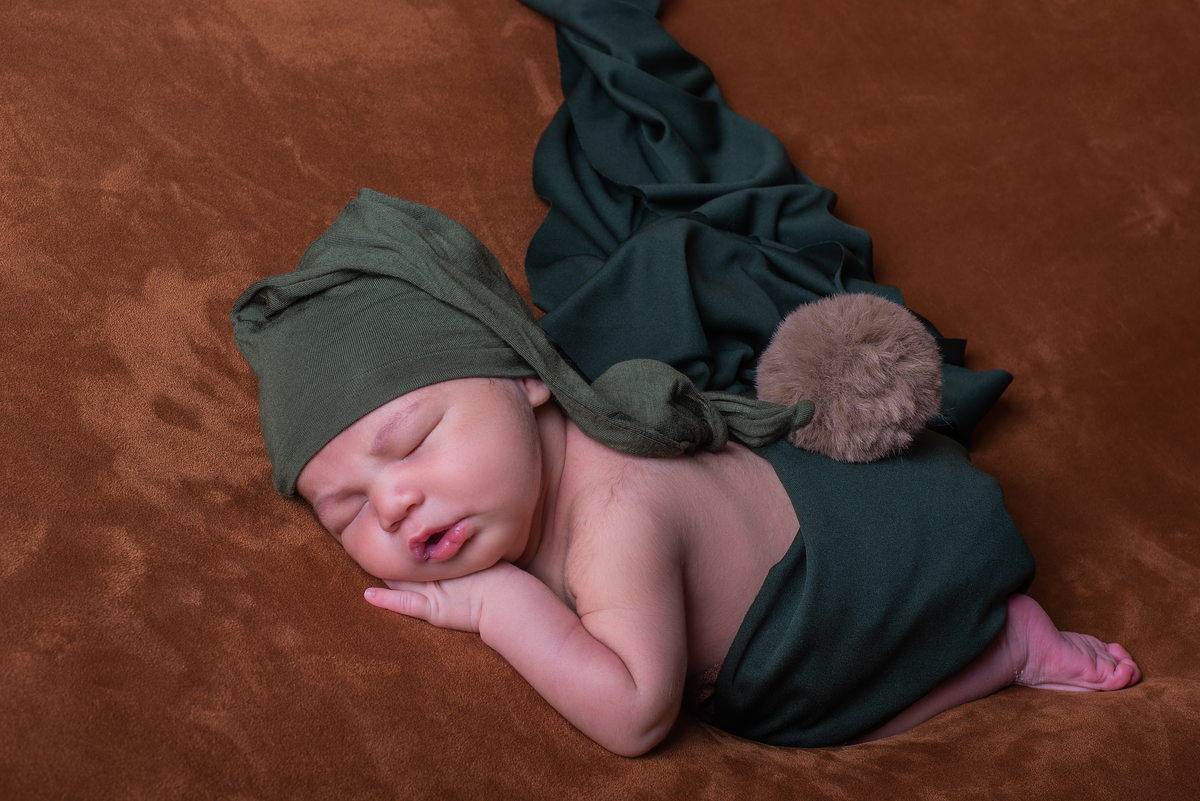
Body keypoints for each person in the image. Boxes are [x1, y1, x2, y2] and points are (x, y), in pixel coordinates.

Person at [230, 0, 1140, 757]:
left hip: (862, 578)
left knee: (802, 723)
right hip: (791, 587)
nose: (391, 504)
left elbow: (635, 715)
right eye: (345, 510)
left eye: (412, 442)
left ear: (527, 376)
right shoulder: (531, 492)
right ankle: (1001, 646)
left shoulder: (617, 509)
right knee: (770, 715)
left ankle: (1004, 648)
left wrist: (497, 604)